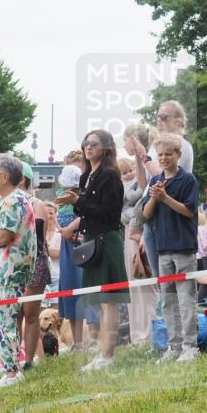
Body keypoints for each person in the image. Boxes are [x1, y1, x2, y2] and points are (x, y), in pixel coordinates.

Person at [58, 130, 129, 371]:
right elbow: (87, 211)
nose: (88, 147)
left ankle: (107, 355)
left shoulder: (109, 175)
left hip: (106, 241)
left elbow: (108, 213)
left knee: (109, 301)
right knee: (99, 300)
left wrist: (77, 202)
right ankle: (102, 353)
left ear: (106, 148)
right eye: (86, 143)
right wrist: (76, 204)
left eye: (94, 144)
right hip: (91, 241)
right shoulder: (86, 176)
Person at [142, 134, 200, 363]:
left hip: (184, 247)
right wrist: (155, 198)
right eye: (160, 155)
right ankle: (174, 346)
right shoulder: (155, 181)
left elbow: (189, 211)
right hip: (163, 248)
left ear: (179, 155)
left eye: (168, 154)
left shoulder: (188, 180)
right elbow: (146, 214)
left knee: (186, 299)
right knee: (167, 300)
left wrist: (165, 198)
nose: (164, 158)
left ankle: (190, 346)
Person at [0, 155, 37, 390]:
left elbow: (4, 236)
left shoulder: (13, 200)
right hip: (4, 269)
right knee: (4, 321)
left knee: (3, 323)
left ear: (4, 177)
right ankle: (11, 368)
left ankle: (12, 372)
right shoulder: (9, 199)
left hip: (8, 271)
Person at [56, 152, 100, 350]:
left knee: (87, 291)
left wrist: (70, 229)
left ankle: (94, 340)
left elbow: (88, 215)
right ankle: (77, 342)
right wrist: (62, 230)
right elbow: (55, 216)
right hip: (68, 248)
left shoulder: (88, 193)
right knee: (70, 290)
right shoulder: (61, 196)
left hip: (85, 245)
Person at [119, 156, 156, 345]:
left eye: (130, 170)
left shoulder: (139, 185)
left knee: (145, 282)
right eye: (124, 173)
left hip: (140, 232)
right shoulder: (123, 187)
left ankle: (150, 329)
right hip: (131, 232)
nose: (128, 174)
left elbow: (138, 202)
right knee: (135, 284)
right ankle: (139, 331)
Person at [19, 161, 50, 369]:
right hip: (12, 264)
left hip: (33, 261)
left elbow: (38, 238)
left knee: (30, 313)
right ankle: (14, 359)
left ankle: (29, 361)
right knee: (14, 313)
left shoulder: (36, 204)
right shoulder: (3, 203)